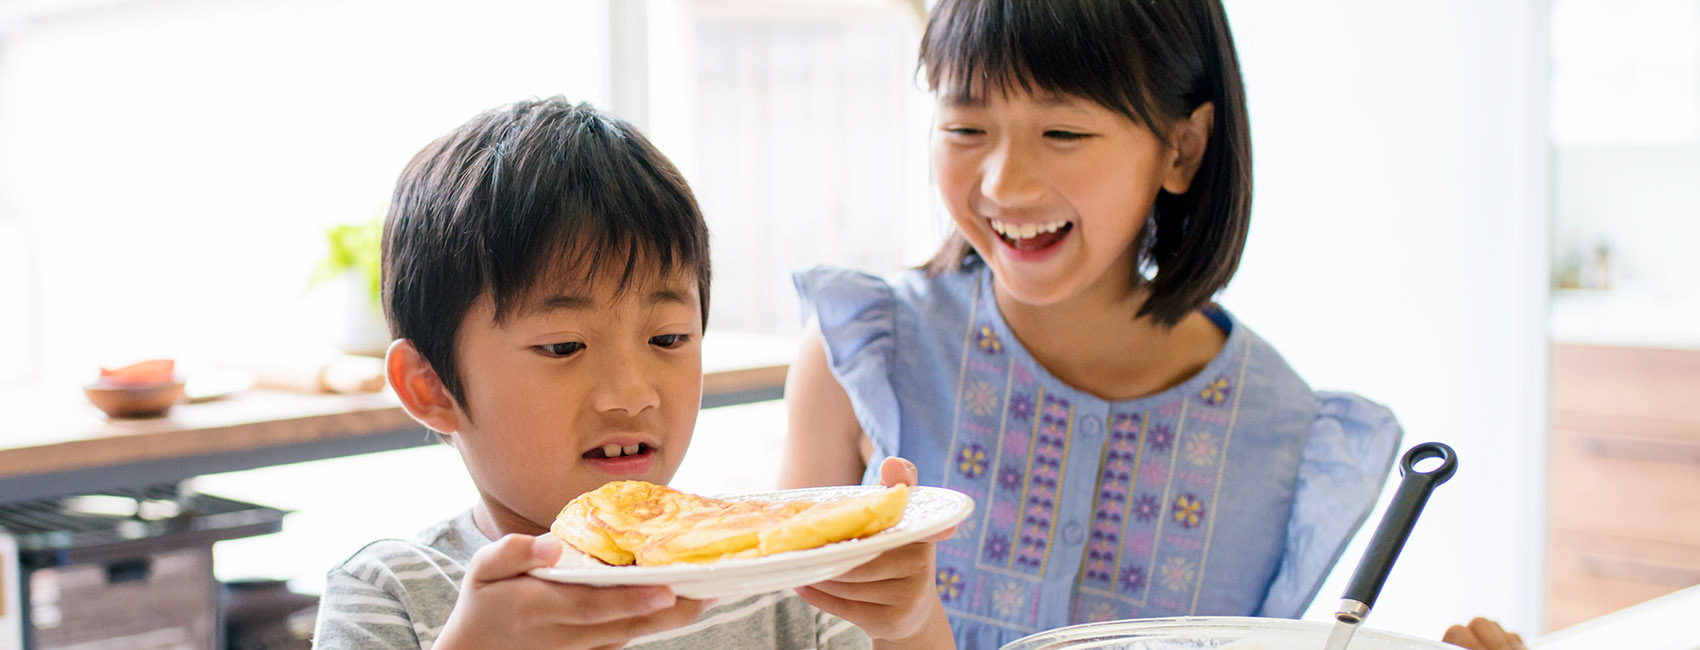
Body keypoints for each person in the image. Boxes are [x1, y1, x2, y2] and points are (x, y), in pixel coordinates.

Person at [779, 1, 1407, 647]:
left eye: (1063, 133)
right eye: (966, 128)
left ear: (1182, 149)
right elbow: (786, 631)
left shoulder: (1292, 437)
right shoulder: (859, 354)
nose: (1006, 184)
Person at [313, 97, 954, 650]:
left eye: (668, 338)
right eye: (564, 346)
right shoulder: (390, 592)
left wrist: (908, 623)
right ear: (431, 386)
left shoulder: (775, 572)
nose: (632, 393)